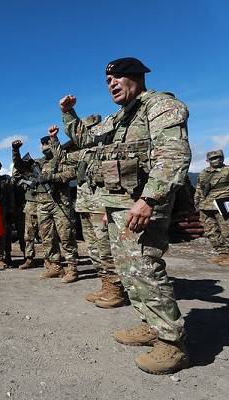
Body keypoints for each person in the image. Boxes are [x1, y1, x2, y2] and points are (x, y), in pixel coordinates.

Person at [59, 57, 191, 374]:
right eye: (108, 80)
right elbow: (87, 138)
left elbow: (175, 153)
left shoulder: (159, 105)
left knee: (145, 268)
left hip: (145, 203)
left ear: (137, 77)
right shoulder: (121, 117)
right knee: (130, 271)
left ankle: (172, 345)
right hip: (122, 206)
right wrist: (68, 114)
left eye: (118, 77)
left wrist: (149, 198)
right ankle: (151, 325)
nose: (112, 84)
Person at [49, 116, 127, 307]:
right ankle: (106, 285)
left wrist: (112, 209)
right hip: (85, 207)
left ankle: (117, 290)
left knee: (106, 250)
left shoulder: (108, 151)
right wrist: (54, 140)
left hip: (101, 208)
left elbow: (115, 182)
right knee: (93, 250)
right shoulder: (84, 154)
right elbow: (62, 158)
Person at [12, 137, 79, 282]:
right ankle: (56, 267)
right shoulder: (37, 162)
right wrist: (16, 150)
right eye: (42, 143)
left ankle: (72, 268)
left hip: (60, 203)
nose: (44, 145)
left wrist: (52, 177)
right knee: (47, 238)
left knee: (66, 236)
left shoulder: (62, 159)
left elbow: (72, 173)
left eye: (47, 142)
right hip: (42, 205)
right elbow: (19, 166)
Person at [194, 149, 229, 266]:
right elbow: (199, 188)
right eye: (214, 158)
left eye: (219, 157)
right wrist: (195, 202)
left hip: (224, 203)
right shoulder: (204, 173)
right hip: (206, 205)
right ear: (207, 160)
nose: (217, 160)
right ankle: (222, 254)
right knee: (211, 231)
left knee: (227, 231)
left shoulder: (227, 170)